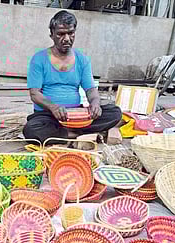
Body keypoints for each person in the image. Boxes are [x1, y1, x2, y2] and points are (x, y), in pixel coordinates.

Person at [23, 10, 122, 143]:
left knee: (115, 112)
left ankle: (67, 133)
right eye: (61, 34)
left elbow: (91, 90)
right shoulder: (39, 59)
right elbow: (34, 94)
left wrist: (95, 104)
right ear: (51, 35)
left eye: (71, 33)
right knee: (31, 129)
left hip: (77, 114)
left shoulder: (82, 59)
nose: (67, 39)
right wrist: (54, 107)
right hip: (48, 115)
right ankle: (77, 133)